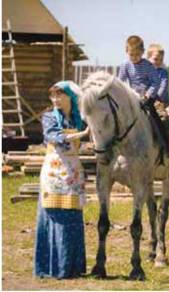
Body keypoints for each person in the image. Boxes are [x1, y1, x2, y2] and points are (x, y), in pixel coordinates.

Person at [34, 81, 89, 279]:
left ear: (70, 97)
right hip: (54, 171)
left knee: (72, 217)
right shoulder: (49, 117)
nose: (55, 100)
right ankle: (52, 267)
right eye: (53, 96)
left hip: (73, 171)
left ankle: (72, 266)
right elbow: (53, 136)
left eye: (60, 95)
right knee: (54, 215)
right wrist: (81, 134)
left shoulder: (78, 119)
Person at [147, 43, 169, 157]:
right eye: (155, 59)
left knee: (165, 118)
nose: (158, 61)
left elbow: (163, 87)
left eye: (161, 59)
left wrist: (154, 96)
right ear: (148, 58)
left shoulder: (163, 72)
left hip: (159, 102)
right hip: (144, 101)